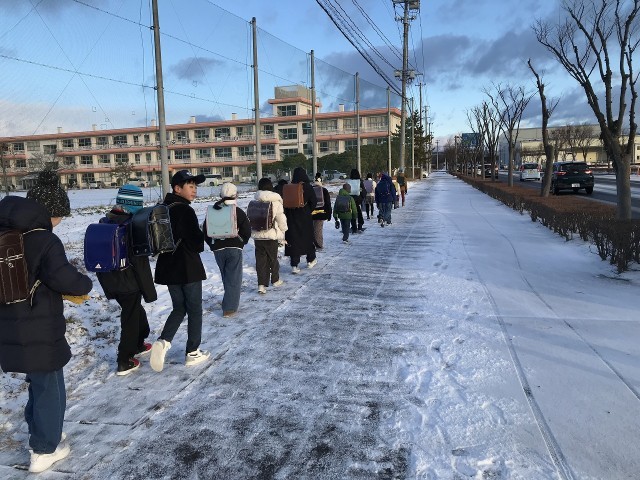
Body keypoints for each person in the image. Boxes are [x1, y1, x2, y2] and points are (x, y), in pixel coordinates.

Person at [0, 170, 92, 473]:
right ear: (48, 212)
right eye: (60, 215)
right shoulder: (44, 240)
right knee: (49, 385)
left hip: (10, 325)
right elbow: (65, 278)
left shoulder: (5, 236)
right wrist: (85, 284)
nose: (61, 221)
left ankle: (43, 431)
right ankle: (44, 449)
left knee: (38, 383)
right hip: (40, 325)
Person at [150, 170, 209, 372]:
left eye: (195, 186)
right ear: (177, 188)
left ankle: (163, 341)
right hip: (188, 267)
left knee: (178, 308)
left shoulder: (162, 208)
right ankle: (193, 352)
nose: (194, 190)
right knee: (194, 309)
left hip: (167, 268)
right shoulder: (185, 210)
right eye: (190, 186)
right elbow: (197, 243)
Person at [95, 185, 157, 376]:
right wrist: (149, 292)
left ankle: (139, 343)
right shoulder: (131, 227)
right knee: (130, 318)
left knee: (135, 311)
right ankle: (124, 359)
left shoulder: (105, 222)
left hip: (110, 279)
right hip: (129, 282)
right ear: (133, 205)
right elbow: (140, 264)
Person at [204, 183, 251, 317]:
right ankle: (229, 308)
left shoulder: (213, 210)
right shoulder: (237, 211)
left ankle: (228, 300)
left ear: (221, 195)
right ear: (236, 195)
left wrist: (212, 245)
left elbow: (205, 231)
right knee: (234, 278)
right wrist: (241, 242)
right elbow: (247, 230)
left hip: (218, 249)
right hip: (234, 247)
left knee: (226, 276)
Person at [251, 178, 288, 294]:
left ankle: (261, 285)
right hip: (271, 235)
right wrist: (284, 229)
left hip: (258, 236)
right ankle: (275, 280)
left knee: (260, 261)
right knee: (273, 259)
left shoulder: (255, 202)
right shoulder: (276, 202)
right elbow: (281, 219)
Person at [284, 167, 317, 273]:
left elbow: (284, 204)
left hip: (291, 218)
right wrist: (308, 210)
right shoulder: (308, 187)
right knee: (308, 238)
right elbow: (314, 202)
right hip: (305, 217)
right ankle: (310, 260)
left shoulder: (288, 187)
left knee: (293, 240)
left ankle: (294, 265)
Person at [311, 172, 332, 249]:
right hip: (321, 213)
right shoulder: (324, 190)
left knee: (311, 230)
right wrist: (329, 214)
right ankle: (319, 245)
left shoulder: (310, 189)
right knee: (318, 230)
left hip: (310, 214)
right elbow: (328, 203)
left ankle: (311, 245)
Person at [348, 168, 366, 233]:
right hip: (358, 199)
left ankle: (354, 227)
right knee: (359, 212)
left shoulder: (349, 181)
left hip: (350, 199)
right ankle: (360, 225)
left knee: (352, 213)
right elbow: (363, 191)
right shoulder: (360, 181)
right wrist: (362, 197)